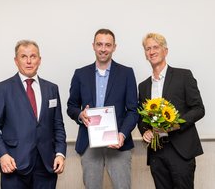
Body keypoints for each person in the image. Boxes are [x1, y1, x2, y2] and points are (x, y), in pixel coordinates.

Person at [0, 40, 67, 189]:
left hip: (46, 166)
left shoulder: (52, 89)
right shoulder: (2, 89)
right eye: (24, 56)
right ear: (16, 61)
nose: (29, 61)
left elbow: (58, 126)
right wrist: (2, 155)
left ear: (39, 60)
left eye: (33, 56)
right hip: (14, 164)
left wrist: (60, 154)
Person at [67, 28, 139, 189]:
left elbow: (133, 110)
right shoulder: (80, 74)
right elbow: (71, 106)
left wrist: (122, 134)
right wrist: (80, 114)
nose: (103, 49)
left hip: (118, 144)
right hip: (89, 143)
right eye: (99, 44)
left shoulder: (126, 73)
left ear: (114, 47)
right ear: (93, 46)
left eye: (108, 45)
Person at [138, 32, 205, 189]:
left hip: (181, 151)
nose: (152, 51)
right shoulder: (143, 86)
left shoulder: (184, 76)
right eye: (148, 49)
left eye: (156, 47)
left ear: (165, 51)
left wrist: (174, 125)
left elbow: (199, 109)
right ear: (145, 54)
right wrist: (144, 131)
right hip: (157, 153)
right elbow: (141, 118)